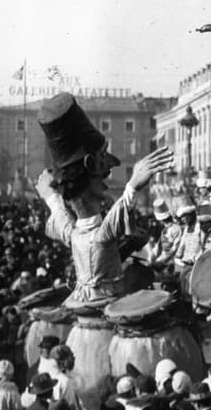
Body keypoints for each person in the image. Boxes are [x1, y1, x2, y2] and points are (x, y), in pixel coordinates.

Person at [36, 93, 174, 312]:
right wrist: (132, 185)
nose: (109, 172)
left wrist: (50, 197)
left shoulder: (74, 235)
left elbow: (60, 216)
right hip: (108, 305)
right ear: (90, 167)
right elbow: (113, 220)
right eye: (103, 160)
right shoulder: (99, 236)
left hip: (80, 302)